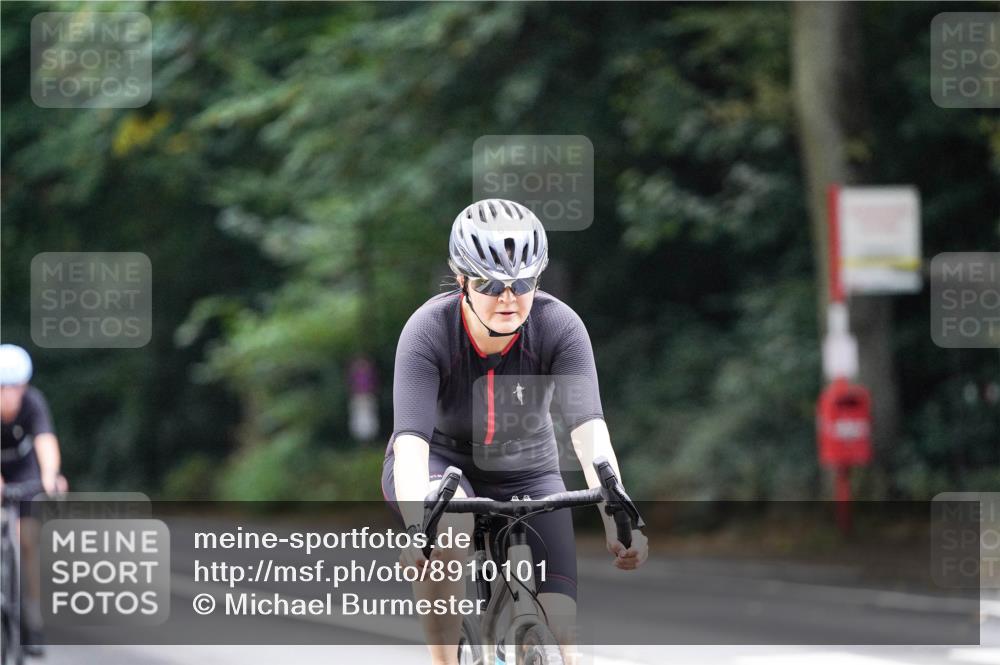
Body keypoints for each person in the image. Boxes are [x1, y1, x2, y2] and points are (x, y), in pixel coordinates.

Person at [381, 199, 648, 665]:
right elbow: (409, 447)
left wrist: (619, 518)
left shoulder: (559, 326)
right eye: (490, 284)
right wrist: (414, 526)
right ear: (462, 280)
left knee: (562, 637)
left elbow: (590, 437)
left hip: (528, 466)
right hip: (440, 464)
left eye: (522, 283)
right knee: (451, 524)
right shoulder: (427, 331)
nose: (508, 298)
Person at [0, 343, 67, 657]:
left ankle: (32, 617)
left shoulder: (33, 403)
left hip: (24, 470)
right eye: (2, 389)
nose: (9, 396)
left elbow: (45, 440)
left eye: (15, 388)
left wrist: (51, 475)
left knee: (28, 541)